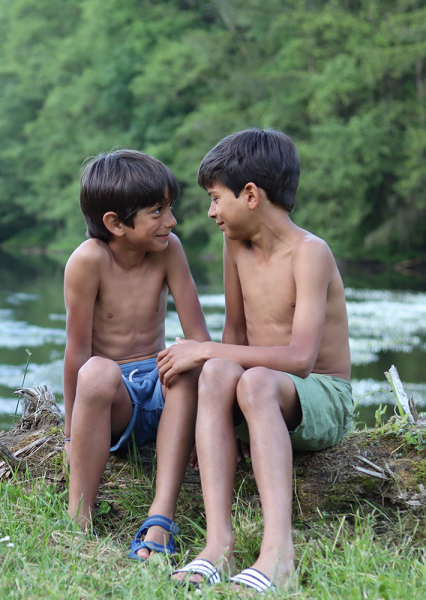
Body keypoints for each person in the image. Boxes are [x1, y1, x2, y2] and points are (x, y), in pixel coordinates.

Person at [161, 128, 352, 592]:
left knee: (252, 380)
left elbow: (302, 359)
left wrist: (204, 350)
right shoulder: (236, 247)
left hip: (322, 395)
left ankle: (278, 555)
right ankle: (217, 545)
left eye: (215, 198)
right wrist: (229, 418)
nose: (210, 212)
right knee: (225, 373)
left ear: (250, 195)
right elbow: (235, 336)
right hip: (262, 395)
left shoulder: (310, 254)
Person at [63, 149, 210, 560]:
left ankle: (159, 519)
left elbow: (199, 338)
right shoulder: (87, 261)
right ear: (115, 223)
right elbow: (77, 354)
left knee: (186, 359)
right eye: (157, 211)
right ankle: (79, 520)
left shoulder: (170, 249)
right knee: (95, 371)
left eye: (170, 208)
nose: (171, 221)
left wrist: (207, 420)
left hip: (165, 388)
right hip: (116, 401)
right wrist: (71, 435)